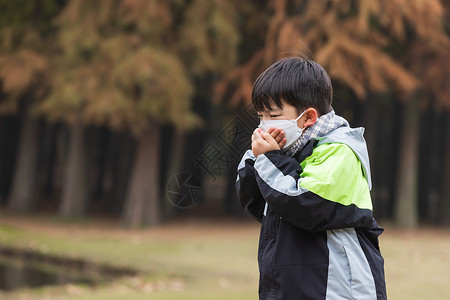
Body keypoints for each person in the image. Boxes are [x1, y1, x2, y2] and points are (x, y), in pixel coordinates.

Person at [236, 57, 387, 300]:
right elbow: (261, 204)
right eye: (260, 115)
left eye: (273, 115)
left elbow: (304, 202)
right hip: (292, 287)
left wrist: (268, 158)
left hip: (337, 289)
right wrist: (256, 158)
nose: (264, 125)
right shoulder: (288, 152)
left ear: (308, 118)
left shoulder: (340, 149)